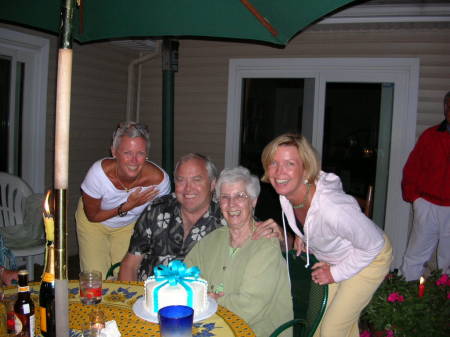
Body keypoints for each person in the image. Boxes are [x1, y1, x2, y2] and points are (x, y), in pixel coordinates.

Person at [261, 133, 393, 337]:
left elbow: (373, 245)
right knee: (318, 327)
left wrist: (335, 273)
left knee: (332, 330)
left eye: (289, 164)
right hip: (338, 256)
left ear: (306, 169)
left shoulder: (333, 207)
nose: (279, 172)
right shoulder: (287, 194)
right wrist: (303, 235)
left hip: (371, 257)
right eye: (274, 163)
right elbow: (312, 221)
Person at [119, 153, 283, 281]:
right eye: (181, 180)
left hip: (199, 306)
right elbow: (130, 265)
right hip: (148, 300)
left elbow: (264, 235)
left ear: (212, 184)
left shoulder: (228, 213)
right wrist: (133, 302)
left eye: (197, 180)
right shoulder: (157, 210)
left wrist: (282, 238)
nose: (188, 188)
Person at [184, 166, 293, 337]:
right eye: (225, 197)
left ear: (253, 201)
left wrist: (208, 300)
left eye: (240, 196)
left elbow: (248, 307)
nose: (231, 203)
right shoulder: (211, 240)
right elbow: (184, 278)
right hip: (212, 326)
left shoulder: (266, 245)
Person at [75, 122, 170, 278]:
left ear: (146, 154)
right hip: (94, 223)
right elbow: (93, 216)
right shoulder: (98, 175)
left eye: (140, 153)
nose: (134, 160)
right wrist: (127, 206)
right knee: (97, 277)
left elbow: (157, 220)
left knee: (125, 275)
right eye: (127, 152)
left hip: (127, 226)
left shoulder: (159, 182)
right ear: (114, 152)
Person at [401, 91, 450, 281]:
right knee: (415, 255)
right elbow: (412, 167)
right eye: (447, 104)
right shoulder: (430, 136)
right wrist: (415, 198)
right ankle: (405, 296)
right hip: (427, 204)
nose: (448, 109)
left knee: (447, 261)